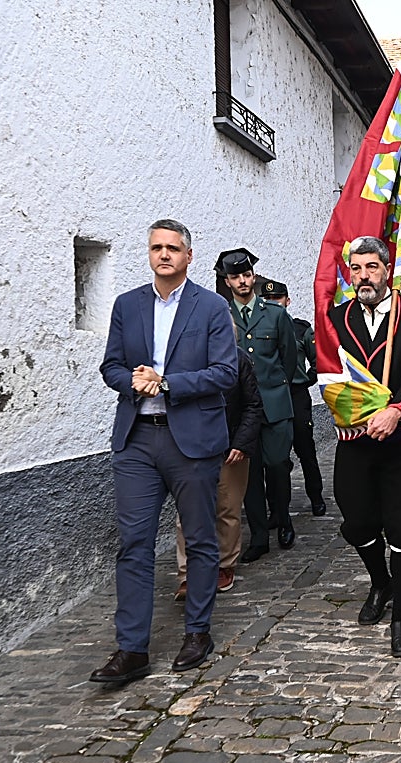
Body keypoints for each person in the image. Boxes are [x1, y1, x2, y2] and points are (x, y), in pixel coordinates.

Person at [92, 219, 237, 683]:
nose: (164, 254)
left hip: (191, 441)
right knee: (134, 544)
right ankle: (131, 649)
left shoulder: (211, 306)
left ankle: (197, 631)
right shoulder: (127, 304)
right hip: (137, 438)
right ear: (149, 254)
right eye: (157, 247)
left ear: (188, 256)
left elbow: (225, 372)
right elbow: (111, 366)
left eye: (173, 248)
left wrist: (168, 382)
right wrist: (132, 381)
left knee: (199, 538)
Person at [328, 236, 401, 658]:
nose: (363, 276)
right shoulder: (337, 317)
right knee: (357, 520)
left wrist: (397, 410)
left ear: (386, 270)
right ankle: (381, 582)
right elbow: (328, 372)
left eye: (371, 267)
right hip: (356, 440)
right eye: (356, 269)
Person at [217, 250, 298, 562]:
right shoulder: (221, 315)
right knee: (249, 476)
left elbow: (288, 358)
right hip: (241, 411)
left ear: (253, 277)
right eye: (235, 277)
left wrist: (275, 389)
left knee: (277, 465)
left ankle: (284, 520)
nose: (242, 281)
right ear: (227, 281)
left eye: (246, 275)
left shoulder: (275, 314)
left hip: (275, 405)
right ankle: (259, 537)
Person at [174, 328, 264, 599]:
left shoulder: (239, 360)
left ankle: (224, 565)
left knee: (227, 508)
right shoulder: (184, 359)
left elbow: (253, 405)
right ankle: (188, 573)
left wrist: (241, 443)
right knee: (187, 512)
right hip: (192, 447)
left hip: (229, 446)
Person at [260, 279, 326, 517]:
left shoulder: (299, 329)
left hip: (296, 394)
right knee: (274, 457)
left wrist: (305, 381)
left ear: (287, 301)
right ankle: (277, 508)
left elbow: (317, 362)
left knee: (305, 448)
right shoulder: (259, 330)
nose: (273, 303)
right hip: (272, 396)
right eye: (268, 299)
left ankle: (316, 496)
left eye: (277, 298)